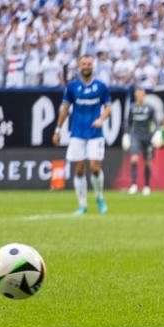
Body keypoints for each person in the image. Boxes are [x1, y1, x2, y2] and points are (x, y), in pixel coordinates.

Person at [53, 55, 111, 215]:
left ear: (93, 66)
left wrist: (101, 119)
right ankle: (82, 205)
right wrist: (57, 130)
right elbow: (64, 109)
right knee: (78, 169)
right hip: (77, 133)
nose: (86, 66)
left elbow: (108, 107)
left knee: (94, 167)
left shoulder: (100, 86)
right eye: (83, 64)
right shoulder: (72, 87)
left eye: (89, 64)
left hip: (95, 133)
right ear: (79, 66)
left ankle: (99, 197)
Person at [124, 87, 157, 196]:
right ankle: (134, 185)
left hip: (147, 137)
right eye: (138, 94)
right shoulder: (132, 108)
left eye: (142, 94)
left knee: (147, 162)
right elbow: (128, 123)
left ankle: (147, 186)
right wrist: (127, 134)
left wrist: (156, 133)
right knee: (134, 159)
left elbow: (155, 122)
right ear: (135, 95)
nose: (140, 96)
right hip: (135, 136)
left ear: (144, 95)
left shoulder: (150, 108)